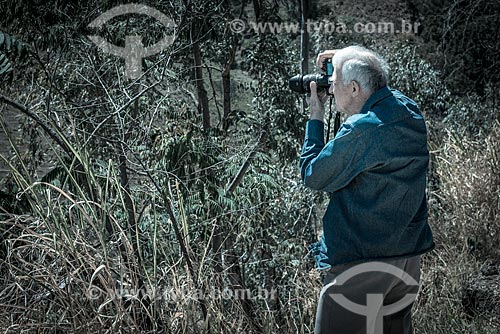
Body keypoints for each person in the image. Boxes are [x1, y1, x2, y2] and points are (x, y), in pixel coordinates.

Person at [299, 46, 434, 333]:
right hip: (405, 262)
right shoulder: (409, 111)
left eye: (333, 82)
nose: (330, 89)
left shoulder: (361, 130)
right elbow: (377, 80)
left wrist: (315, 116)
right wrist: (344, 55)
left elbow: (313, 174)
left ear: (356, 88)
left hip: (361, 265)